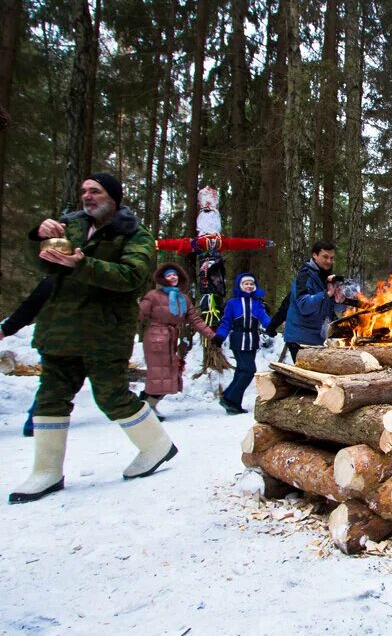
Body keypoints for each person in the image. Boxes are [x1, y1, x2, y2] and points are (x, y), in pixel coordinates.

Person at [10, 173, 177, 504]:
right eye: (84, 191)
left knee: (111, 396)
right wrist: (37, 238)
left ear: (113, 198)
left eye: (95, 191)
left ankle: (156, 445)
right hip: (60, 328)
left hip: (104, 332)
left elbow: (131, 277)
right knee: (50, 398)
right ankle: (46, 471)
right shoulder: (68, 227)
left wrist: (83, 264)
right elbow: (41, 266)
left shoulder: (134, 235)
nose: (87, 196)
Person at [138, 264, 217, 418]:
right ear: (163, 278)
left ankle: (146, 403)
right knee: (160, 373)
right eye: (169, 275)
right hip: (155, 337)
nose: (172, 277)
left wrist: (212, 335)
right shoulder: (154, 295)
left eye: (175, 275)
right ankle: (148, 407)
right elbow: (139, 314)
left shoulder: (183, 298)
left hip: (171, 338)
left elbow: (195, 319)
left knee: (170, 373)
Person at [0, 277, 55, 436]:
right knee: (53, 383)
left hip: (85, 341)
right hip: (54, 342)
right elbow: (30, 306)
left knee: (54, 384)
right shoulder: (53, 281)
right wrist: (7, 328)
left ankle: (37, 420)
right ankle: (35, 423)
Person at [212, 273, 271, 414]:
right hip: (238, 339)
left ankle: (233, 403)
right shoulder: (233, 303)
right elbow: (226, 322)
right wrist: (220, 336)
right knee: (248, 370)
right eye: (246, 284)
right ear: (240, 285)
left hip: (252, 339)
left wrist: (271, 327)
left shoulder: (257, 303)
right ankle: (229, 398)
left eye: (251, 284)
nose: (249, 286)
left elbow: (265, 318)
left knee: (242, 371)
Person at [284, 240, 337, 361]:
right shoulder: (304, 275)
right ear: (314, 255)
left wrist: (338, 298)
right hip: (300, 339)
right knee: (304, 379)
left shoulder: (325, 277)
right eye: (325, 257)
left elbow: (328, 308)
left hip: (315, 338)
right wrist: (326, 293)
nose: (329, 261)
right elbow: (304, 305)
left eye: (332, 258)